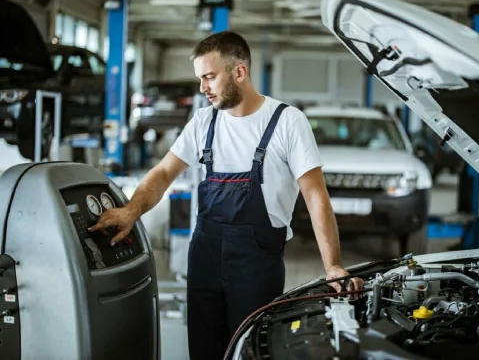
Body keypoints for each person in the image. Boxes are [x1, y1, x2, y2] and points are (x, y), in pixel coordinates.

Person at [88, 30, 364, 359]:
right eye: (200, 79)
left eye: (209, 77)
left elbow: (315, 195)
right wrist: (132, 210)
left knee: (250, 350)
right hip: (205, 255)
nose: (203, 88)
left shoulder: (288, 122)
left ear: (239, 72)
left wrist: (333, 265)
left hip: (257, 263)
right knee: (204, 351)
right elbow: (163, 173)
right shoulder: (204, 122)